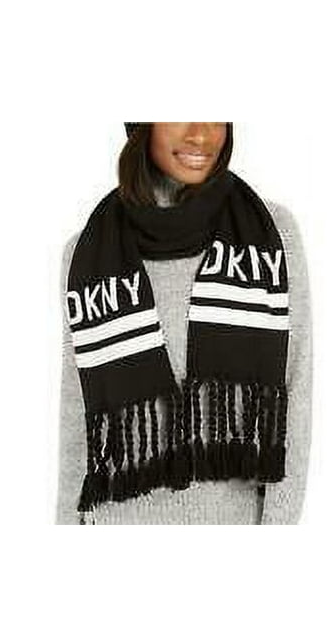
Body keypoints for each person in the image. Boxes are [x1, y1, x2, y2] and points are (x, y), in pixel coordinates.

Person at [55, 123, 313, 524]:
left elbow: (295, 403)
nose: (201, 134)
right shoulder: (87, 254)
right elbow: (78, 421)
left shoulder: (271, 236)